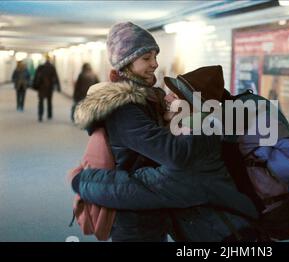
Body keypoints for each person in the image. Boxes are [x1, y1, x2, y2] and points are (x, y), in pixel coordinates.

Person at [71, 22, 258, 242]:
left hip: (154, 206)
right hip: (133, 215)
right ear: (127, 63)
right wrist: (207, 125)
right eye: (146, 58)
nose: (155, 64)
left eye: (155, 56)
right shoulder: (125, 109)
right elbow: (172, 153)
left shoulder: (149, 99)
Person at [33, 55, 61, 122]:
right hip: (49, 88)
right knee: (49, 101)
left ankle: (40, 115)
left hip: (41, 88)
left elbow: (35, 77)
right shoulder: (52, 68)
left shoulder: (40, 67)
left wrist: (34, 85)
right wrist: (58, 86)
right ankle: (49, 115)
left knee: (41, 102)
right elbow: (56, 77)